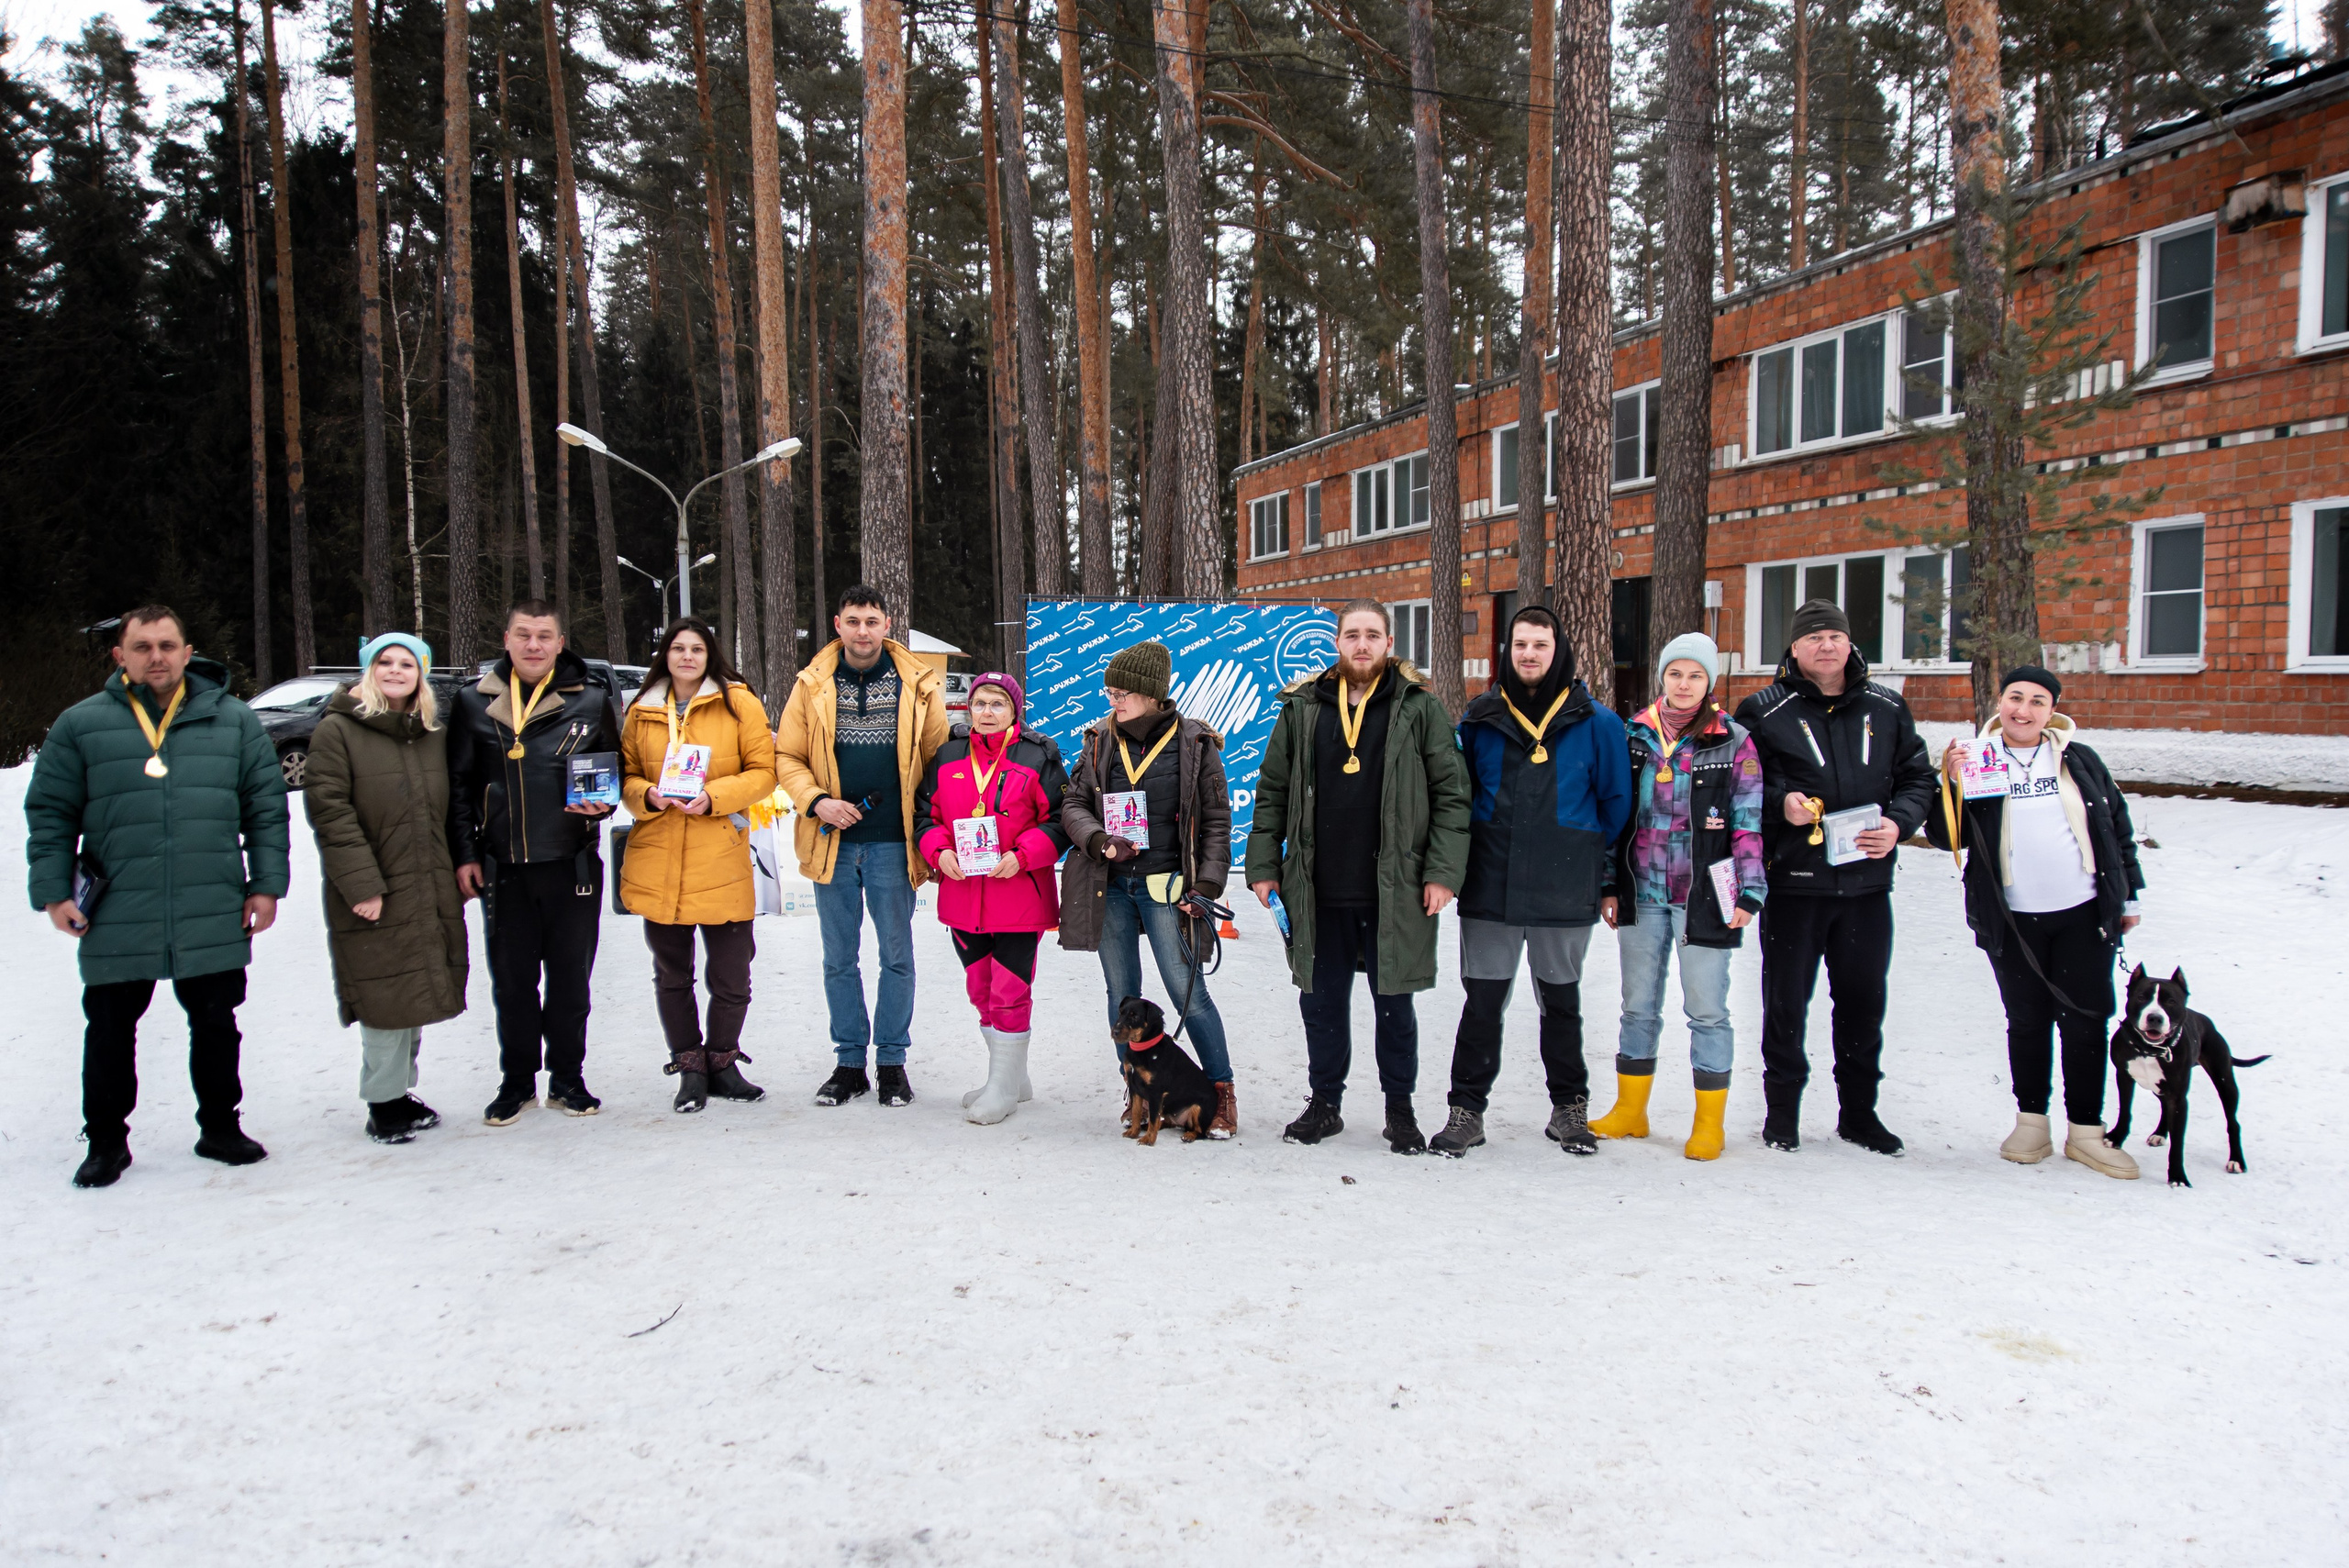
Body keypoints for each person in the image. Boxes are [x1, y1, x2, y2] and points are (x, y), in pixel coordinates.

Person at [25, 606, 289, 1187]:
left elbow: (266, 810)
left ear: (188, 652)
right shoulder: (80, 724)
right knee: (110, 1029)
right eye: (142, 647)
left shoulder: (235, 721)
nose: (156, 657)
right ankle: (106, 1143)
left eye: (167, 646)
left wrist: (266, 885)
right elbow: (50, 814)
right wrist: (53, 892)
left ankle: (220, 1127)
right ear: (119, 655)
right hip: (119, 909)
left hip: (210, 902)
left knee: (216, 1022)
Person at [1245, 602, 1472, 1153]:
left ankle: (1400, 1110)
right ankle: (1325, 1104)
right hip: (1316, 887)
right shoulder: (1303, 707)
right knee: (1320, 1003)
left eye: (1373, 635)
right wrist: (1264, 866)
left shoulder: (1418, 707)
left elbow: (1451, 794)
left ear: (1389, 643)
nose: (1362, 644)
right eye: (1352, 635)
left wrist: (1442, 872)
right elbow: (1272, 791)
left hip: (1394, 886)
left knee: (1394, 1005)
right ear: (1338, 642)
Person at [1925, 665, 2144, 1177]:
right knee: (2027, 1020)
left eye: (2037, 701)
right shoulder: (1977, 760)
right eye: (2015, 697)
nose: (2023, 710)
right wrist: (1951, 784)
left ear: (2052, 711)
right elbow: (1945, 837)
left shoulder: (2078, 759)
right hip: (2011, 919)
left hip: (2083, 912)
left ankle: (2086, 1131)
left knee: (2086, 1019)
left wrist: (2128, 898)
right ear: (1999, 702)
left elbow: (2116, 827)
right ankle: (2032, 1123)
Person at [1734, 599, 1935, 1156]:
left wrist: (1898, 824)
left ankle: (1860, 1115)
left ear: (1850, 644)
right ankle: (1782, 1115)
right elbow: (1739, 786)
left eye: (1836, 636)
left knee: (1863, 1003)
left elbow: (1918, 778)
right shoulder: (1763, 710)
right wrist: (1781, 804)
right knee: (1785, 1005)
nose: (1826, 646)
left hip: (1866, 888)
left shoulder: (1886, 707)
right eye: (1814, 637)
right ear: (1795, 647)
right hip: (1795, 885)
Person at [1431, 605, 1629, 1158]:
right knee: (1482, 1005)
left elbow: (1616, 807)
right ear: (1507, 650)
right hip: (1490, 885)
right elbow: (1458, 800)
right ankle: (1466, 1112)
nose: (1529, 654)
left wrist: (1586, 864)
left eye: (1540, 644)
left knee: (1561, 1005)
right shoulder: (1480, 720)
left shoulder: (1599, 724)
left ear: (1558, 650)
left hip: (1564, 889)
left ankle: (1569, 1109)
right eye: (1520, 644)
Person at [1591, 632, 1767, 1161]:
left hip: (1705, 895)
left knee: (1707, 1009)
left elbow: (1748, 820)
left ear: (1708, 682)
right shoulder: (1633, 735)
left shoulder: (1733, 740)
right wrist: (1608, 883)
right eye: (1675, 673)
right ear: (1661, 677)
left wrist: (1750, 889)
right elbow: (1616, 816)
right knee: (1637, 1006)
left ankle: (1708, 1124)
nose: (1684, 684)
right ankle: (1631, 1110)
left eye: (1695, 675)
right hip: (1641, 891)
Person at [774, 584, 952, 1107]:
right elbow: (787, 756)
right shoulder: (811, 683)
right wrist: (817, 801)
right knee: (838, 959)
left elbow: (939, 760)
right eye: (853, 621)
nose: (862, 631)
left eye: (872, 621)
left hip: (894, 844)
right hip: (832, 841)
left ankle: (892, 1063)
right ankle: (849, 1063)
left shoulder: (918, 684)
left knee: (897, 957)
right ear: (838, 624)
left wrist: (935, 831)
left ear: (887, 625)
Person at [449, 600, 624, 1125]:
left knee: (571, 982)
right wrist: (465, 854)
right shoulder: (473, 702)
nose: (533, 645)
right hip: (503, 868)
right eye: (523, 635)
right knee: (512, 983)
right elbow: (458, 788)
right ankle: (516, 1082)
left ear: (559, 643)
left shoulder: (589, 700)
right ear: (506, 640)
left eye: (544, 636)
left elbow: (611, 773)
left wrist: (603, 806)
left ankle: (567, 1079)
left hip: (571, 865)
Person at [1062, 639, 1239, 1139]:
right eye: (1110, 692)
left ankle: (1221, 1092)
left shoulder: (1195, 743)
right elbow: (1073, 804)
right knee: (1122, 994)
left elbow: (1217, 822)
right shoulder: (1099, 739)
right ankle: (1137, 1092)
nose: (1113, 700)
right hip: (1112, 886)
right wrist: (1099, 840)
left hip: (1169, 888)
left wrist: (1206, 885)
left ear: (1152, 693)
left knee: (1188, 992)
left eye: (1122, 693)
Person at [303, 633, 469, 1144]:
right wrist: (362, 885)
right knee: (384, 996)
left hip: (427, 883)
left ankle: (399, 1092)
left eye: (407, 663)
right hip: (374, 887)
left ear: (421, 675)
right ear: (368, 671)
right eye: (385, 662)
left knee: (414, 992)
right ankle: (382, 1101)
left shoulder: (431, 733)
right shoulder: (337, 731)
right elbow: (331, 813)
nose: (396, 670)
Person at [618, 617, 777, 1114]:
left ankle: (723, 1062)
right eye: (678, 648)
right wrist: (647, 794)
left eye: (697, 649)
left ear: (710, 657)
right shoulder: (642, 710)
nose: (687, 657)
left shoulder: (738, 703)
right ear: (664, 656)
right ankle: (689, 1066)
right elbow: (625, 775)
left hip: (720, 856)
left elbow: (764, 773)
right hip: (658, 857)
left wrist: (713, 797)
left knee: (732, 975)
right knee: (672, 974)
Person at [913, 670, 1071, 1125]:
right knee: (979, 989)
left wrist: (1023, 856)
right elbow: (926, 815)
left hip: (1020, 895)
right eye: (979, 702)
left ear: (1014, 711)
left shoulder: (1038, 755)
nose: (987, 711)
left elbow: (1061, 819)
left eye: (997, 703)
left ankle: (1002, 1088)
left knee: (1009, 990)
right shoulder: (948, 755)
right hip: (963, 895)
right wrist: (938, 852)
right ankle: (1012, 1078)